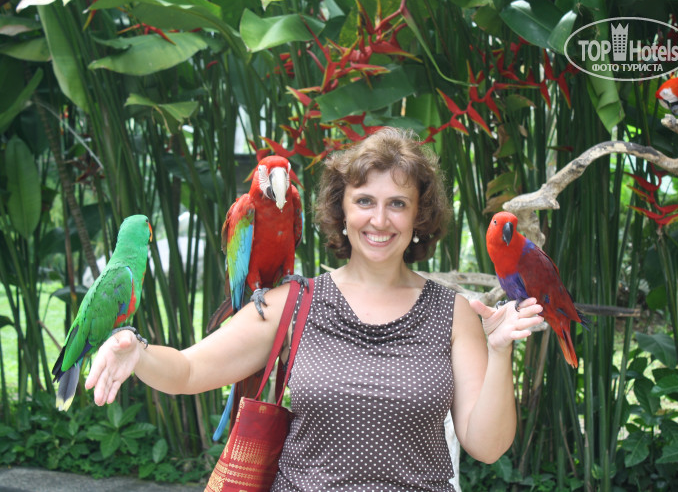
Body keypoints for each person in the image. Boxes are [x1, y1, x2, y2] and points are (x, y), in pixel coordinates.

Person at [85, 127, 543, 491]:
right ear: (341, 210)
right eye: (364, 201)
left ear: (419, 215)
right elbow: (187, 371)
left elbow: (486, 447)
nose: (379, 220)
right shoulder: (293, 302)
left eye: (397, 204)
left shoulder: (452, 312)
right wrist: (138, 351)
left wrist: (499, 349)